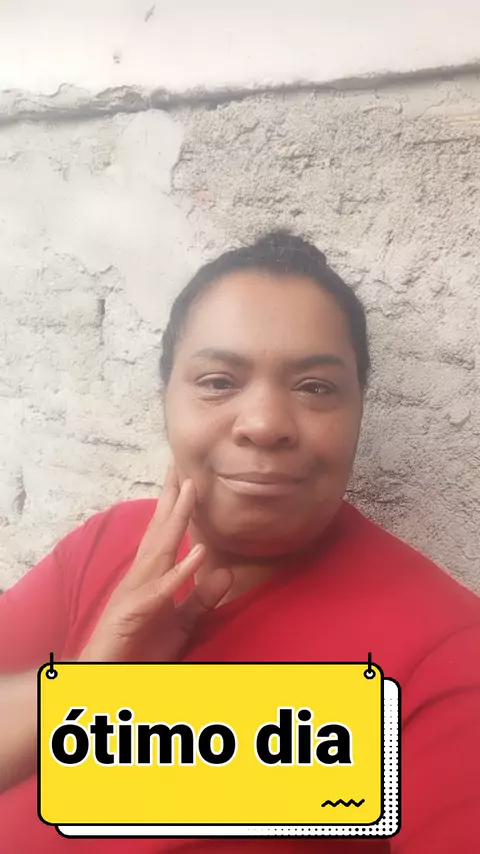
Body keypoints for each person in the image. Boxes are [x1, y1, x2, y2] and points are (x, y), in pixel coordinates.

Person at [0, 230, 479, 854]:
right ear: (166, 397)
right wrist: (87, 688)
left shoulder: (446, 652)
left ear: (359, 407)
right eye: (219, 381)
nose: (264, 424)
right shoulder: (108, 541)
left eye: (315, 387)